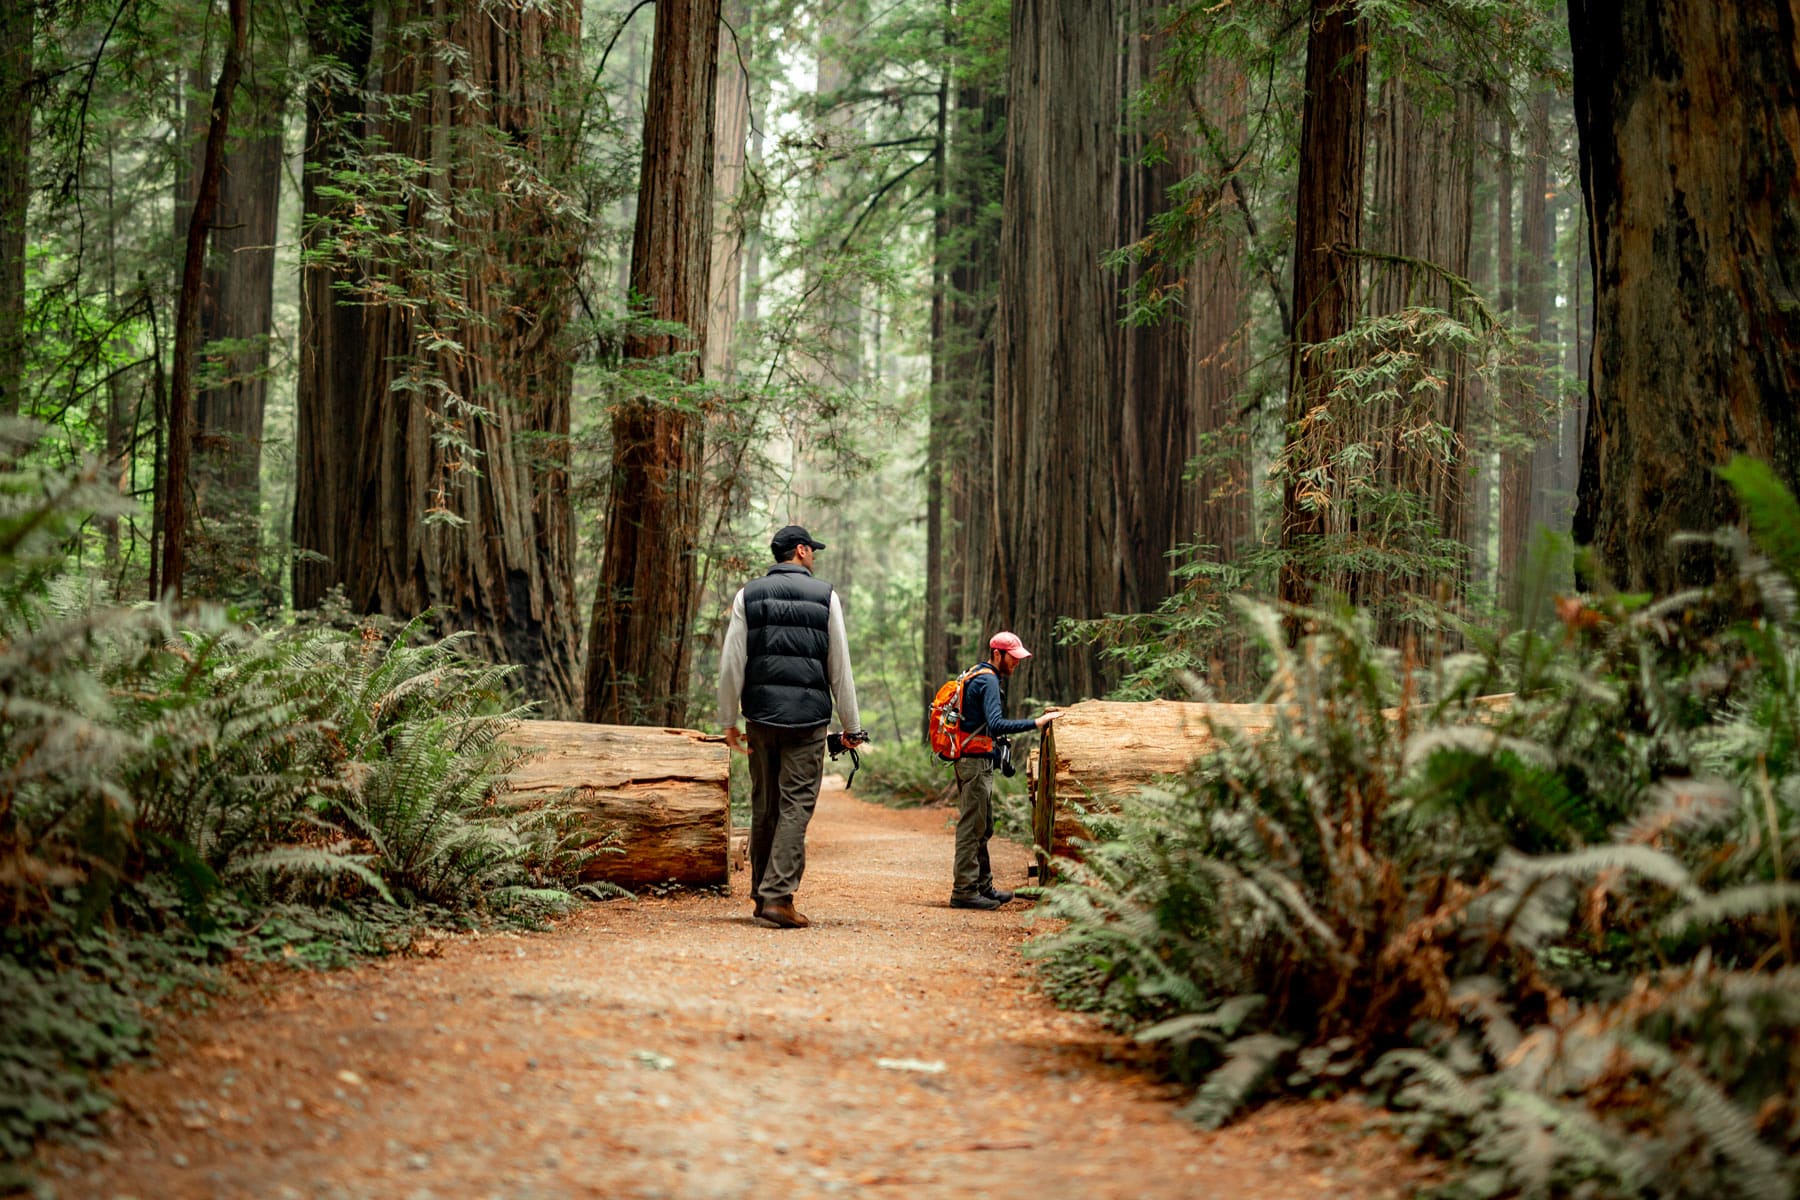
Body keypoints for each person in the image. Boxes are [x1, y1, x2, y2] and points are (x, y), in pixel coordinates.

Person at [718, 525, 866, 929]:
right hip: (808, 720)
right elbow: (839, 665)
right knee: (796, 804)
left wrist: (728, 718)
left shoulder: (747, 595)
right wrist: (851, 723)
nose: (814, 556)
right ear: (800, 551)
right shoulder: (826, 596)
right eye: (811, 550)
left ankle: (760, 895)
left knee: (765, 804)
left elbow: (733, 661)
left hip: (761, 717)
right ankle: (778, 896)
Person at [950, 632, 1061, 910]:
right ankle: (964, 891)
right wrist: (1037, 722)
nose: (1016, 663)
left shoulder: (976, 673)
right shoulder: (987, 679)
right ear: (997, 654)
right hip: (974, 764)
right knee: (971, 828)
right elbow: (997, 724)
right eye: (1013, 658)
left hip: (974, 760)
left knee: (983, 826)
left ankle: (983, 887)